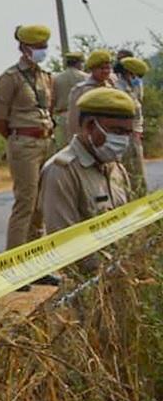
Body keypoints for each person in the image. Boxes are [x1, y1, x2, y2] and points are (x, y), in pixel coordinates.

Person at [36, 87, 134, 288]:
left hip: (123, 281)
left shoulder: (116, 169)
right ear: (90, 125)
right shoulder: (61, 171)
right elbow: (66, 244)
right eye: (117, 132)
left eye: (127, 133)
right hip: (89, 289)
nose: (123, 141)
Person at [0, 25, 54, 264]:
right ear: (24, 48)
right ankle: (15, 262)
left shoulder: (46, 77)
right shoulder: (10, 79)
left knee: (40, 206)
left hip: (45, 141)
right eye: (38, 47)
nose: (42, 51)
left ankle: (36, 263)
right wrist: (16, 140)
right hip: (23, 143)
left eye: (45, 47)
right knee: (25, 202)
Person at [113, 56, 149, 197]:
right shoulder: (117, 88)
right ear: (127, 72)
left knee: (139, 171)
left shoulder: (134, 86)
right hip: (124, 135)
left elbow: (138, 109)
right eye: (134, 75)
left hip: (135, 134)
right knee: (129, 171)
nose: (136, 78)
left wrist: (139, 130)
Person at [66, 50, 115, 138]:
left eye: (108, 68)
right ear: (92, 69)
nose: (105, 71)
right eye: (101, 68)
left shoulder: (110, 89)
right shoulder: (81, 90)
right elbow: (74, 119)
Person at [52, 51, 86, 144]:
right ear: (79, 63)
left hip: (62, 117)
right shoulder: (86, 78)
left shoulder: (56, 78)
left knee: (64, 149)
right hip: (81, 117)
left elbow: (52, 100)